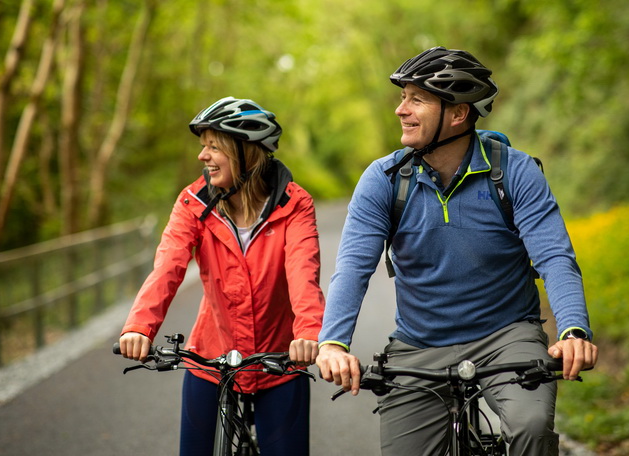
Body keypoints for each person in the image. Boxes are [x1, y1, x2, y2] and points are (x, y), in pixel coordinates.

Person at [316, 47, 598, 455]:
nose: (401, 110)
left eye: (417, 99)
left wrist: (573, 330)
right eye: (402, 97)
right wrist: (333, 343)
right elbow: (353, 268)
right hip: (419, 343)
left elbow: (555, 256)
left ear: (457, 114)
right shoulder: (384, 180)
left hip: (507, 334)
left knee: (531, 426)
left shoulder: (515, 172)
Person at [118, 97, 325, 456]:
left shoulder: (294, 204)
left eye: (214, 147)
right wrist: (139, 326)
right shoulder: (193, 203)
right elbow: (168, 266)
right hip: (210, 358)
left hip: (280, 360)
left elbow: (303, 273)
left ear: (247, 153)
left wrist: (308, 332)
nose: (203, 156)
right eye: (203, 146)